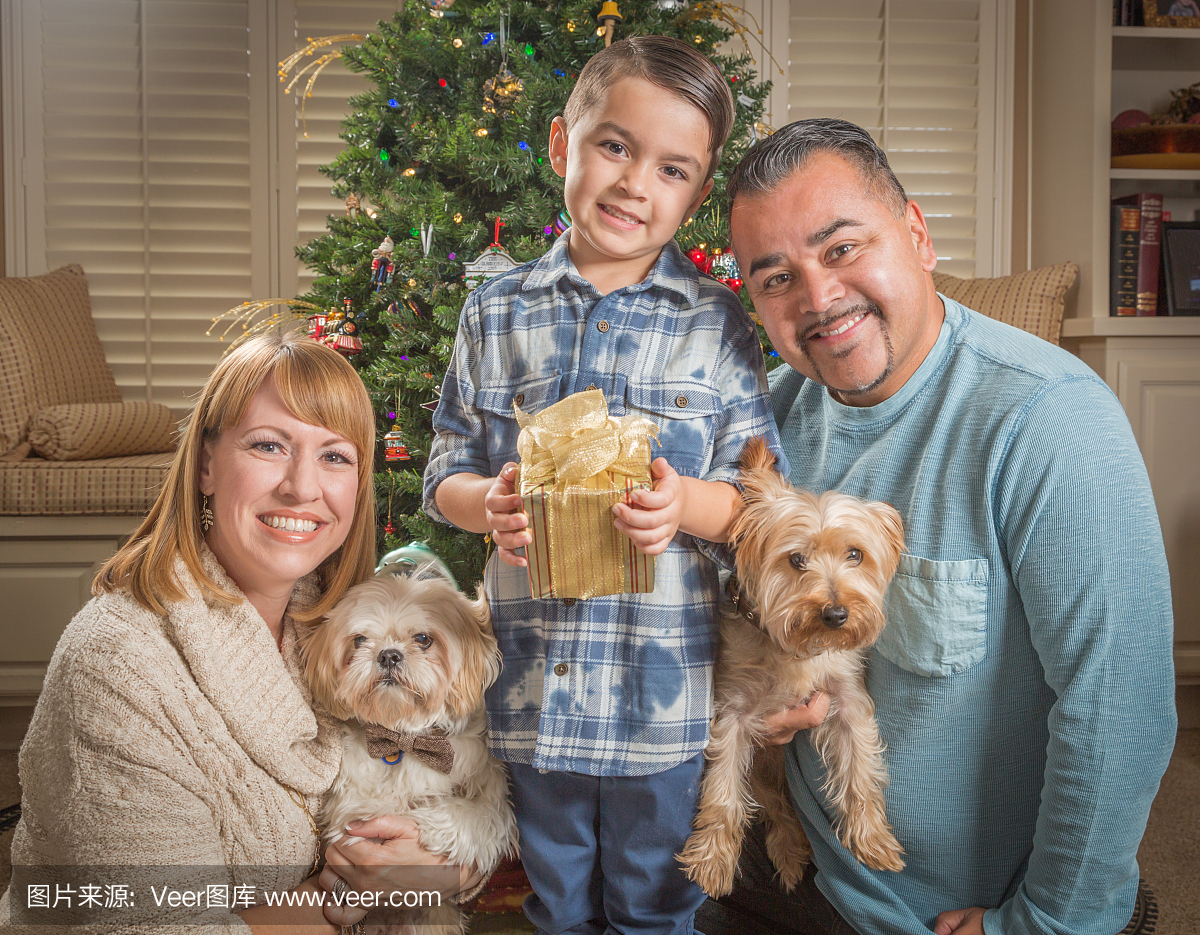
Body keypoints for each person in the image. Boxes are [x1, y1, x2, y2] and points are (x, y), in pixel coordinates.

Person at [695, 117, 1177, 935]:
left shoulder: (1048, 422)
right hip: (801, 853)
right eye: (776, 277)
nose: (818, 298)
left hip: (954, 910)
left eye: (842, 248)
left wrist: (1044, 924)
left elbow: (1120, 708)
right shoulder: (766, 422)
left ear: (916, 234)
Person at [423, 36, 787, 935]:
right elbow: (445, 469)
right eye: (615, 147)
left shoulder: (720, 326)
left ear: (696, 196)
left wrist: (685, 508)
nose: (634, 184)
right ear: (562, 145)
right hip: (531, 691)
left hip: (659, 699)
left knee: (654, 906)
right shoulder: (495, 310)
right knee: (555, 901)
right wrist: (487, 502)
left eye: (671, 168)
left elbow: (758, 502)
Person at [0, 330, 478, 932]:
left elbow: (461, 822)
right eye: (268, 446)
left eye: (335, 456)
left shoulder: (338, 631)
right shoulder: (120, 665)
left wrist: (440, 866)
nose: (302, 487)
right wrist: (345, 897)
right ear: (205, 465)